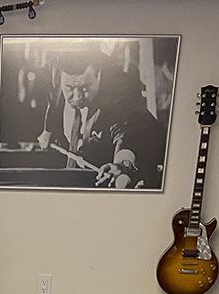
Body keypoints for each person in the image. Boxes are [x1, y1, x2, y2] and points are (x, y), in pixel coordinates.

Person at [36, 49, 163, 189]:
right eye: (69, 88)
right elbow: (55, 97)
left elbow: (127, 133)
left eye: (84, 88)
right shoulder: (58, 71)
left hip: (147, 157)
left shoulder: (121, 94)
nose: (77, 97)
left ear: (99, 76)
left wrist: (122, 164)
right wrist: (48, 129)